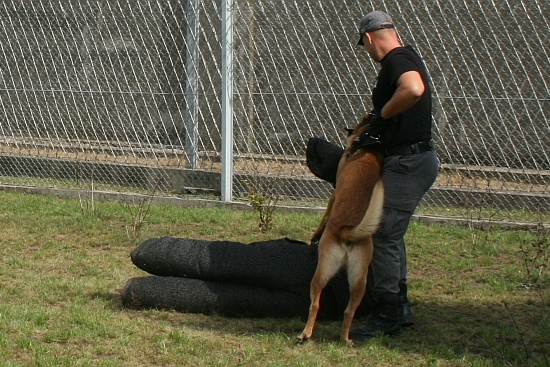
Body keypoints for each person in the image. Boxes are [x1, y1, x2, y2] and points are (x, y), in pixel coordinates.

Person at [348, 10, 439, 341]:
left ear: (369, 39)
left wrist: (384, 115)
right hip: (412, 159)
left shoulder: (396, 60)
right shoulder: (408, 53)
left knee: (384, 234)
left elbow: (413, 89)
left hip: (408, 162)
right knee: (391, 234)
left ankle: (387, 315)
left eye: (365, 46)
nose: (368, 53)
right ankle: (399, 307)